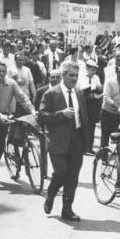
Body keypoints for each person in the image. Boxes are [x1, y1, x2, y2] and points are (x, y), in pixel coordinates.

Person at [39, 61, 90, 222]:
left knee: (73, 176)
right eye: (71, 75)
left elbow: (85, 118)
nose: (74, 78)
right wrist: (61, 114)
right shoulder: (51, 93)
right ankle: (51, 194)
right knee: (60, 173)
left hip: (76, 140)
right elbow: (42, 115)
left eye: (76, 75)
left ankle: (67, 209)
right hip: (57, 140)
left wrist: (86, 142)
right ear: (63, 75)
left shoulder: (79, 93)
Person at [0, 62, 35, 190]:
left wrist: (31, 109)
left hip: (3, 121)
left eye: (4, 71)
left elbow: (22, 97)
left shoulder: (11, 83)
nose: (1, 74)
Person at [81, 60, 103, 154]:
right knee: (83, 126)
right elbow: (81, 89)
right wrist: (92, 88)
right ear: (87, 68)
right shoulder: (81, 76)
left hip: (93, 104)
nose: (94, 72)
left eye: (95, 70)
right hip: (84, 103)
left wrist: (95, 89)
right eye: (92, 70)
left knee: (92, 126)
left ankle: (89, 147)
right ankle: (83, 147)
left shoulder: (96, 77)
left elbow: (99, 88)